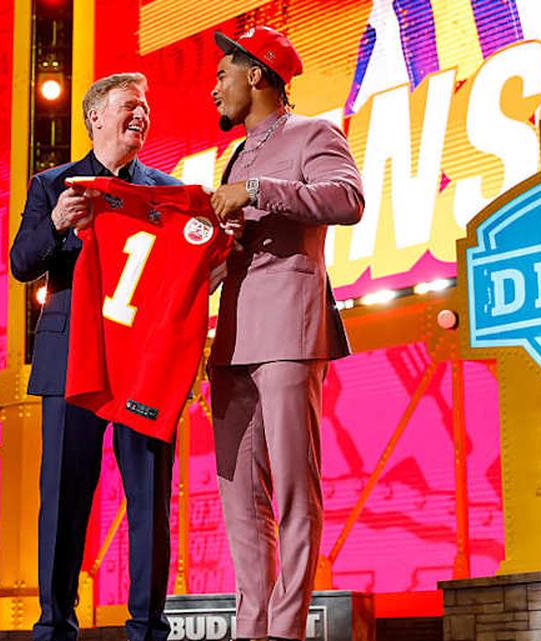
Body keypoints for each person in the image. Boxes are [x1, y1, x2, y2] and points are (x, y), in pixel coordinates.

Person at [207, 26, 365, 641]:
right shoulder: (237, 154)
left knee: (296, 491)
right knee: (239, 501)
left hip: (289, 333)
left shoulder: (313, 133)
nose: (214, 87)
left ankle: (287, 630)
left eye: (223, 74)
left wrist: (256, 191)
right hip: (233, 340)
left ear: (256, 75)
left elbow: (347, 199)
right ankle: (252, 628)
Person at [9, 72, 179, 641]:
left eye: (146, 107)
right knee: (63, 496)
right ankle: (55, 625)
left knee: (149, 497)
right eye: (130, 105)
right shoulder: (52, 183)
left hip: (142, 360)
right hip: (69, 355)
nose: (141, 114)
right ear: (96, 118)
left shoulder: (165, 192)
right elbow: (21, 262)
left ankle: (148, 627)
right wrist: (57, 223)